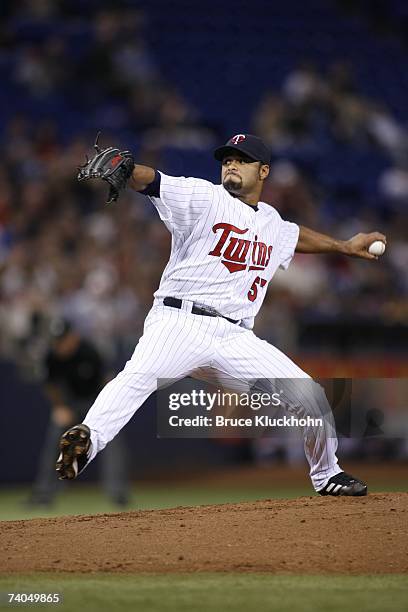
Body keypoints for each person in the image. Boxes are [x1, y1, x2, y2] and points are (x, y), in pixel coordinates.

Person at [56, 133, 387, 496]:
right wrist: (130, 169)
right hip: (179, 322)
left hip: (235, 338)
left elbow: (294, 237)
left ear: (263, 171)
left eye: (241, 159)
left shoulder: (271, 222)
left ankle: (327, 475)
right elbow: (155, 181)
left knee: (310, 396)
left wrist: (343, 246)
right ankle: (87, 442)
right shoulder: (205, 197)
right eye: (227, 158)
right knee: (138, 377)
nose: (230, 163)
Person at [30, 319, 129, 506]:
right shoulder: (51, 356)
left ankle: (118, 493)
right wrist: (59, 407)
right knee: (54, 442)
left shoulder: (89, 351)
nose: (60, 345)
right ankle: (43, 494)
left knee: (113, 443)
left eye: (63, 340)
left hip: (95, 403)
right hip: (70, 405)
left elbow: (107, 381)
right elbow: (50, 386)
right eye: (56, 341)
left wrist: (108, 409)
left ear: (73, 337)